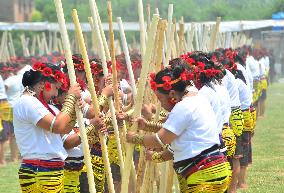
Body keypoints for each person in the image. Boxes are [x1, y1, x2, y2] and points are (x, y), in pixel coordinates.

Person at [126, 63, 232, 193]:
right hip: (215, 169)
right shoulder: (198, 99)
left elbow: (159, 140)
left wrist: (133, 138)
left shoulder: (184, 107)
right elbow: (176, 132)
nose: (160, 103)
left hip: (203, 175)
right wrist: (148, 125)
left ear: (171, 94)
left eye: (160, 98)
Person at [13, 62, 82, 192]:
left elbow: (64, 129)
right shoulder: (28, 102)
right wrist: (71, 97)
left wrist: (75, 110)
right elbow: (57, 126)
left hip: (46, 169)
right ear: (44, 84)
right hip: (41, 169)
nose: (56, 94)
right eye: (56, 88)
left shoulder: (37, 104)